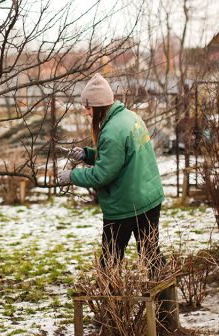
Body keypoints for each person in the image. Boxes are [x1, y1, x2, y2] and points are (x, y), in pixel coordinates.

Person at [56, 73, 165, 274]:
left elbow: (102, 175)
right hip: (148, 198)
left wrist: (72, 177)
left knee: (110, 261)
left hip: (125, 205)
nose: (87, 113)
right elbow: (120, 156)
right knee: (151, 255)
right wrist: (88, 155)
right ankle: (166, 301)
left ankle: (110, 303)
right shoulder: (130, 117)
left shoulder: (111, 131)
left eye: (88, 108)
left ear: (97, 107)